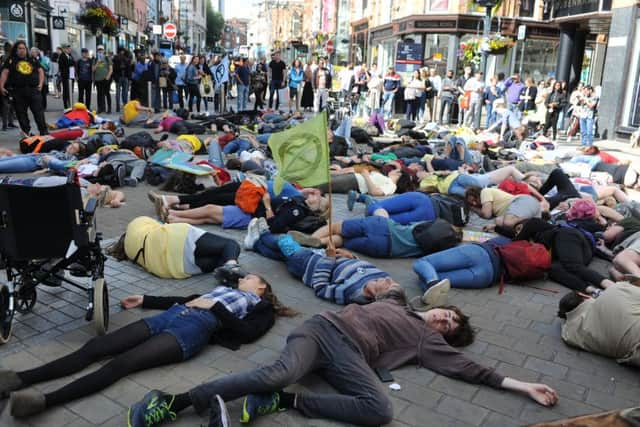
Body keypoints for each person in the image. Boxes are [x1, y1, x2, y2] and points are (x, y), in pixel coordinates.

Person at [126, 294, 558, 427]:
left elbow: (473, 371)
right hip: (321, 329)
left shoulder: (427, 341)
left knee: (381, 410)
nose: (445, 320)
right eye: (448, 314)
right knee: (281, 371)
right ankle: (175, 400)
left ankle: (284, 403)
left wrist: (523, 386)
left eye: (450, 326)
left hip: (351, 355)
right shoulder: (397, 300)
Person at [1, 271, 295, 418]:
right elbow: (188, 298)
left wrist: (215, 307)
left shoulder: (261, 308)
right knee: (95, 348)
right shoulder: (225, 289)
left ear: (261, 287)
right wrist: (145, 299)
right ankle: (17, 379)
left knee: (121, 364)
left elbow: (246, 333)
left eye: (250, 277)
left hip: (192, 331)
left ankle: (41, 402)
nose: (243, 277)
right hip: (171, 316)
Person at [250, 229, 402, 305]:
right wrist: (351, 256)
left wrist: (329, 260)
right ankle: (256, 244)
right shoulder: (380, 275)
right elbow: (360, 266)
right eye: (393, 281)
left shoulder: (352, 293)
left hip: (306, 264)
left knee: (284, 241)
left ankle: (262, 234)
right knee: (281, 256)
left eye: (388, 285)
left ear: (378, 295)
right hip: (323, 256)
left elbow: (321, 288)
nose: (388, 278)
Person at [106, 216, 242, 279]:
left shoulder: (130, 253)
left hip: (172, 268)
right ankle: (232, 267)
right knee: (231, 245)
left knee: (220, 258)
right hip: (174, 238)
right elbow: (160, 225)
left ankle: (229, 271)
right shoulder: (136, 223)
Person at [513, 218, 615, 296]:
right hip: (579, 254)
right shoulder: (532, 240)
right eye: (516, 232)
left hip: (567, 237)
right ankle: (592, 290)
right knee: (552, 269)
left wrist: (498, 228)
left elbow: (517, 239)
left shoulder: (534, 223)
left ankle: (612, 287)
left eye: (519, 228)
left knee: (573, 266)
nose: (518, 232)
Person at [558, 282, 640, 366]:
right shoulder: (616, 290)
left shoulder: (572, 333)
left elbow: (565, 330)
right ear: (583, 295)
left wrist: (568, 317)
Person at [413, 236, 512, 291]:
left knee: (423, 263)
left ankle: (432, 283)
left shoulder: (508, 238)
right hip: (487, 277)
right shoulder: (524, 252)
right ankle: (432, 285)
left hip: (478, 253)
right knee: (429, 279)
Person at [0, 40, 48, 136]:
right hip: (18, 91)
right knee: (21, 114)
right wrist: (1, 86)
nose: (22, 50)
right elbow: (5, 73)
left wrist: (41, 83)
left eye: (23, 48)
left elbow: (40, 71)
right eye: (19, 48)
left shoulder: (32, 59)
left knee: (39, 112)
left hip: (33, 90)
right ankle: (26, 132)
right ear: (16, 50)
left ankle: (44, 132)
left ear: (26, 49)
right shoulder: (11, 60)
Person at [465, 186, 542, 228]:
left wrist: (472, 208)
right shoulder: (493, 206)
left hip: (522, 201)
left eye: (474, 200)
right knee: (499, 221)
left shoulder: (485, 191)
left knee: (508, 222)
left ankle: (532, 220)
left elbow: (486, 214)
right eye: (471, 203)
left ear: (478, 194)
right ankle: (531, 222)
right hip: (524, 209)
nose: (474, 203)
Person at [93, 45, 112, 114]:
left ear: (104, 51)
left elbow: (111, 69)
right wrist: (97, 63)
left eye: (101, 50)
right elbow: (93, 69)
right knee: (99, 94)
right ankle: (100, 108)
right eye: (99, 50)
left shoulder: (107, 58)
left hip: (105, 79)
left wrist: (107, 77)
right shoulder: (95, 59)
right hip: (98, 79)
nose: (100, 51)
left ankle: (109, 108)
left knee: (107, 93)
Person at [112, 47, 131, 113]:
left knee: (124, 93)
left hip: (124, 77)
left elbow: (129, 69)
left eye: (123, 51)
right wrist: (115, 77)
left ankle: (125, 106)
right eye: (121, 51)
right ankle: (118, 107)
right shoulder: (116, 58)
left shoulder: (126, 58)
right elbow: (114, 69)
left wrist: (129, 78)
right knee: (118, 93)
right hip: (119, 77)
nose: (122, 52)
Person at [57, 44, 74, 109]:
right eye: (68, 49)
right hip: (65, 77)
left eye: (70, 49)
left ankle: (70, 104)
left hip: (71, 76)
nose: (69, 50)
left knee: (70, 91)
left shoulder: (70, 56)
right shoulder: (62, 56)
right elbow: (62, 67)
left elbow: (72, 64)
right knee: (66, 91)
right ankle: (66, 106)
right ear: (64, 49)